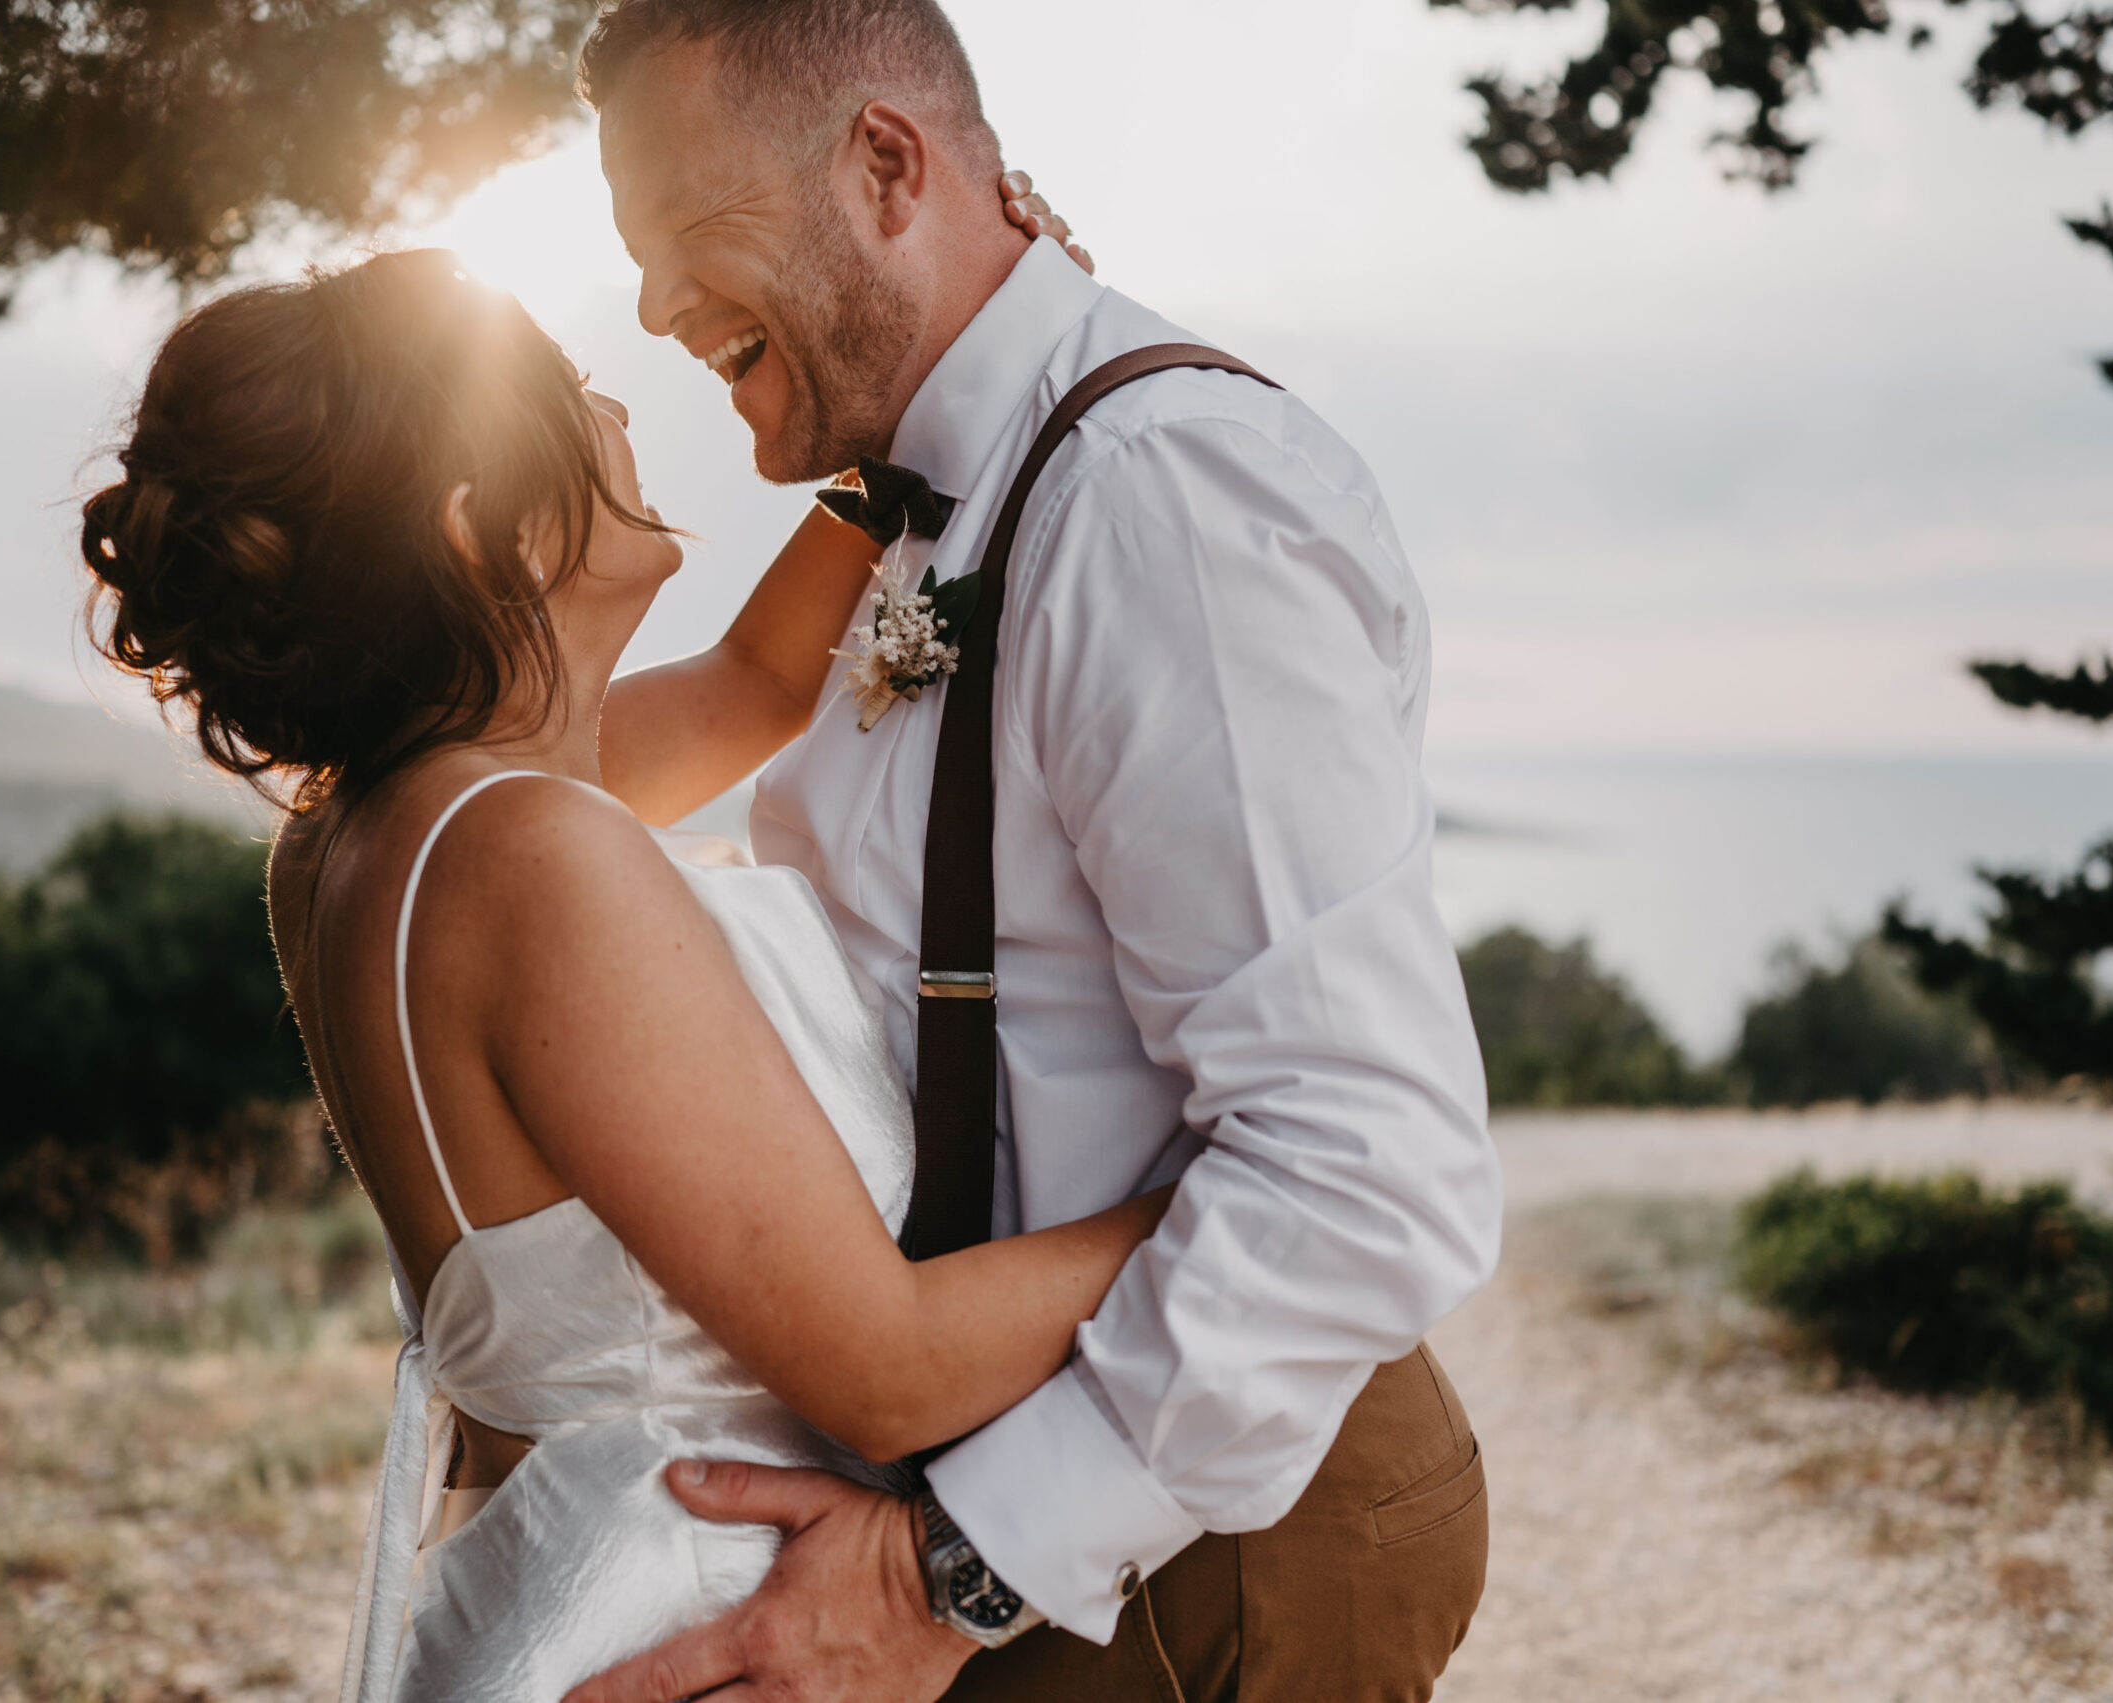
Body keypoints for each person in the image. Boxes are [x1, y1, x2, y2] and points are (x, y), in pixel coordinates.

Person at [77, 177, 1149, 1703]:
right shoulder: (524, 854)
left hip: (570, 1586)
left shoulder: (380, 826)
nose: (622, 413)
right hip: (698, 1619)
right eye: (578, 399)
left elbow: (764, 680)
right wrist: (1241, 1197)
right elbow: (888, 1367)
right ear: (486, 529)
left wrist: (940, 385)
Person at [568, 3, 1503, 1701]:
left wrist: (946, 1577)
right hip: (1043, 1516)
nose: (647, 309)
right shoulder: (932, 492)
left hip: (1196, 1549)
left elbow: (1366, 1165)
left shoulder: (1163, 500)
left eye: (681, 233)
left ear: (883, 167)